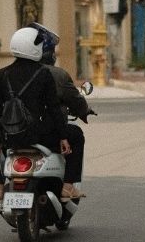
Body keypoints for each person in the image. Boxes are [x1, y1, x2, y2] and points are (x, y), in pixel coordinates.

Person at [0, 26, 71, 203]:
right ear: (33, 48)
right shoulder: (44, 73)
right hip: (38, 135)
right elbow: (53, 108)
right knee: (76, 137)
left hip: (11, 135)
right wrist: (63, 136)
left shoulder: (2, 74)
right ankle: (67, 186)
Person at [35, 23, 93, 202]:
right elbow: (75, 100)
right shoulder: (57, 75)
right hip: (48, 133)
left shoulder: (12, 73)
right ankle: (68, 187)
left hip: (19, 134)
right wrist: (84, 111)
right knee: (76, 135)